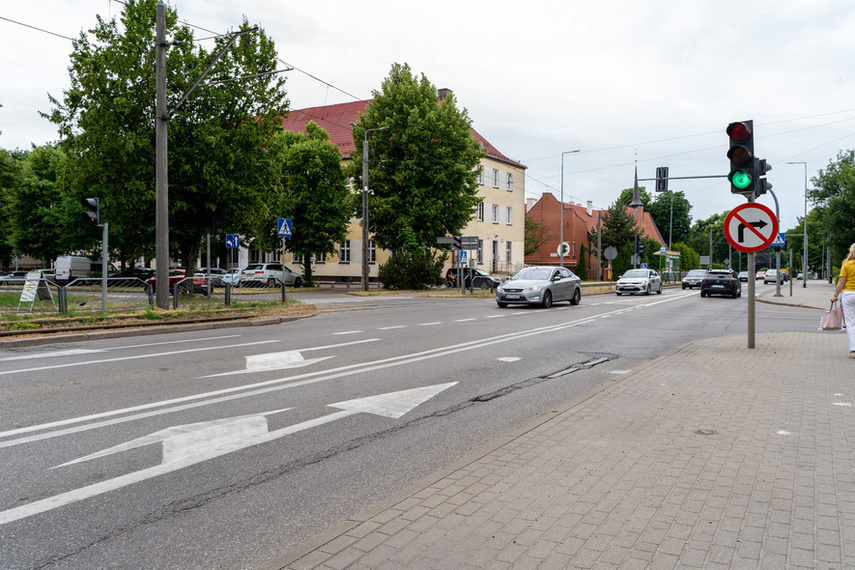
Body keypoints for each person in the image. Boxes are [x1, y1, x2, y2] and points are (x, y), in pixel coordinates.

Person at [831, 242, 855, 358]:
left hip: (849, 294)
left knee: (850, 322)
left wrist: (835, 295)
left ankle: (854, 350)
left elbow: (841, 281)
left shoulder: (846, 264)